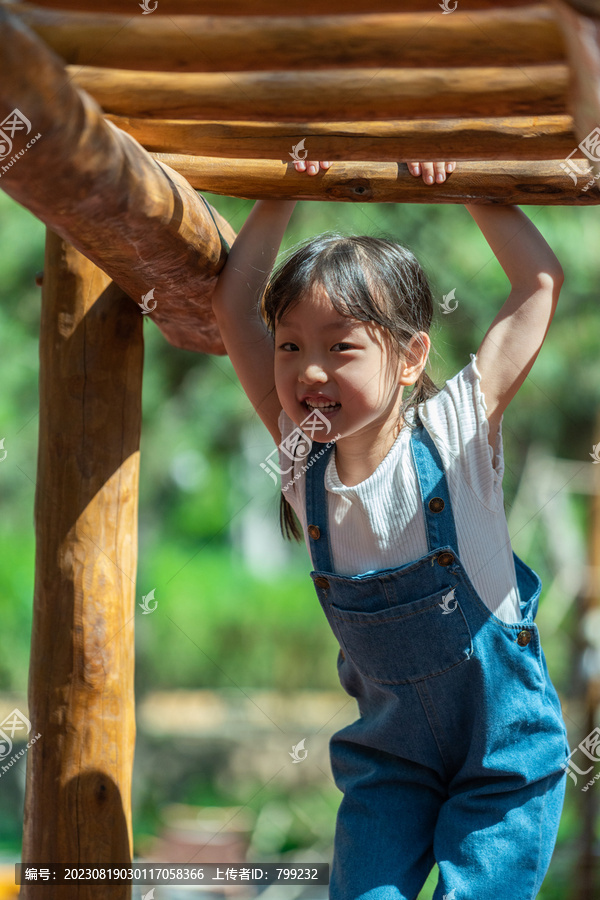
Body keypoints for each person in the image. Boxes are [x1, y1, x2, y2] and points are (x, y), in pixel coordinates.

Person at [210, 159, 570, 899]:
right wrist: (281, 189)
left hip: (502, 763)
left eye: (340, 346)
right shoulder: (297, 456)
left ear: (410, 358)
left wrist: (463, 183)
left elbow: (537, 283)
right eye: (291, 347)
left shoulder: (456, 432)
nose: (309, 371)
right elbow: (232, 308)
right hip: (388, 765)